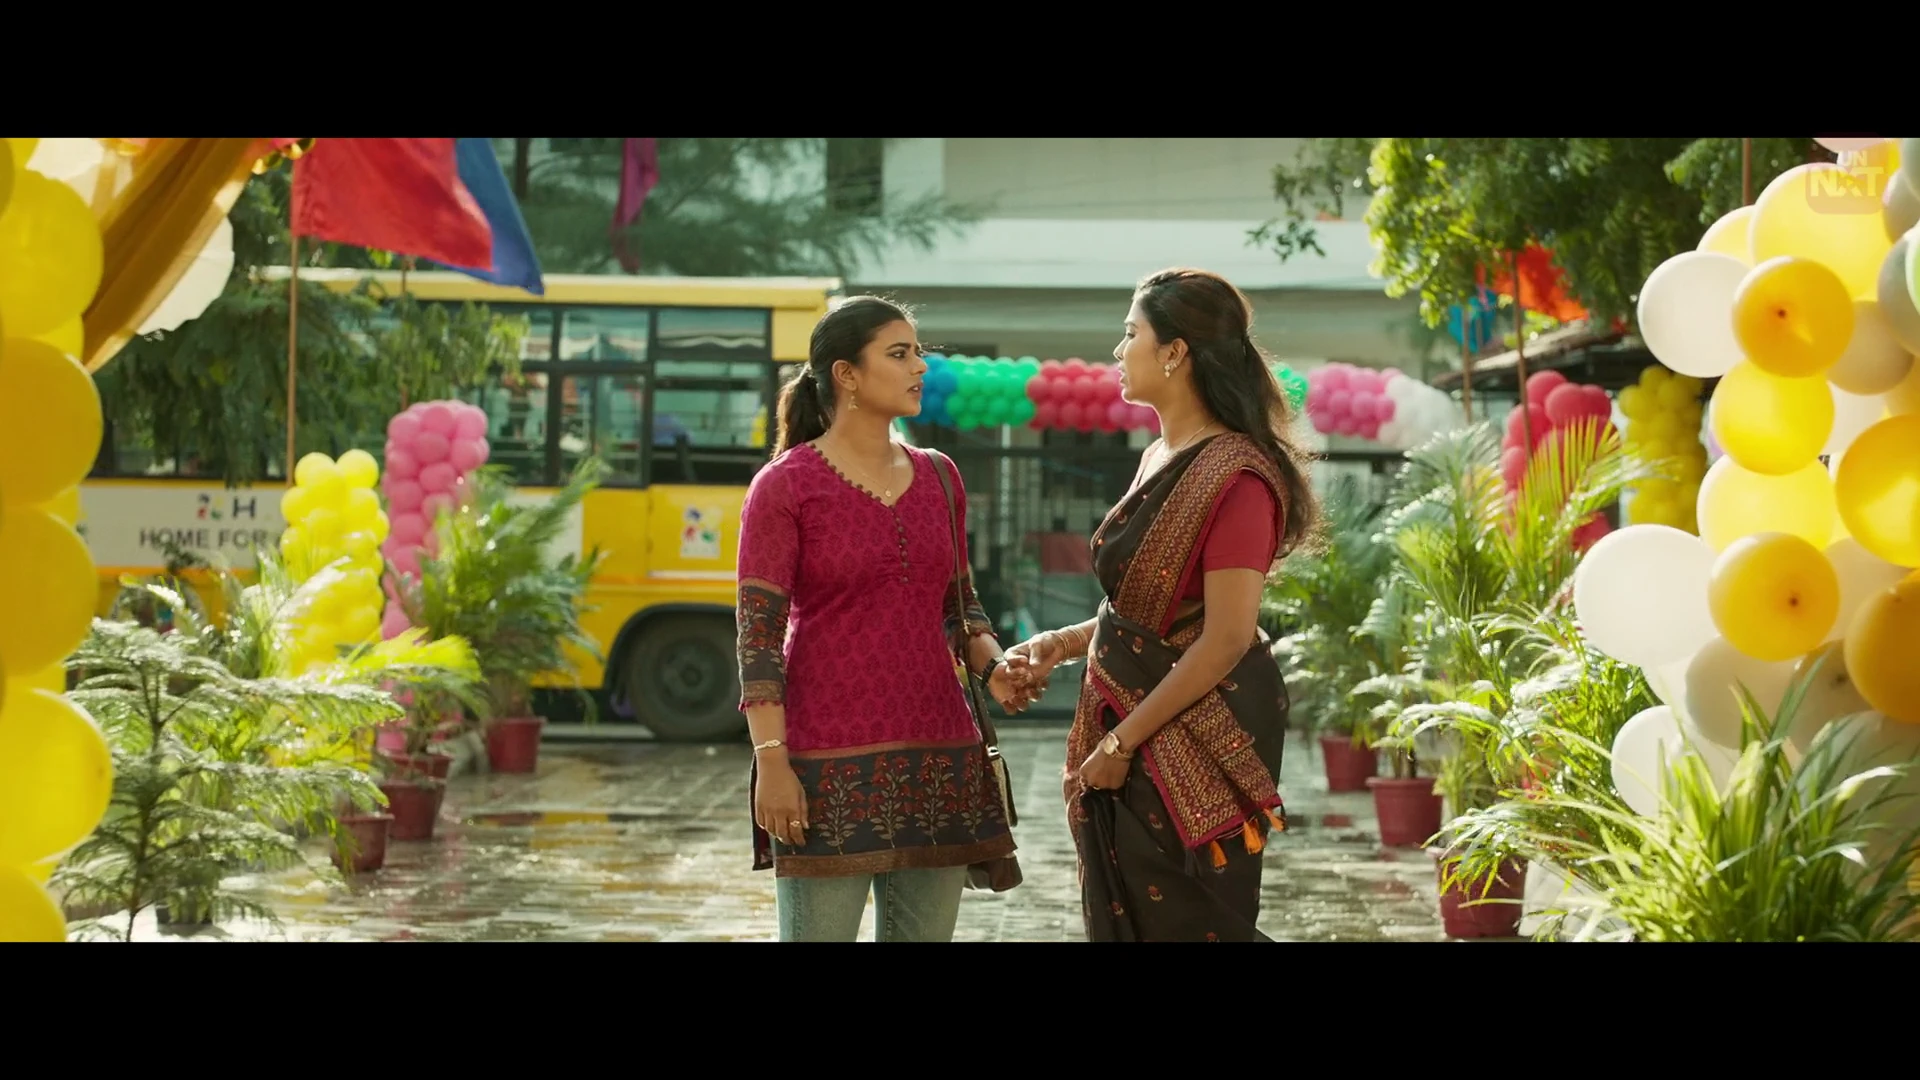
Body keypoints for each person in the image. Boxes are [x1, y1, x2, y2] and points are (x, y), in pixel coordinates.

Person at [1004, 267, 1321, 942]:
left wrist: (1121, 741)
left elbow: (1225, 637)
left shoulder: (1236, 478)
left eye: (1131, 333)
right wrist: (1064, 643)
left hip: (1197, 730)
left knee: (1191, 920)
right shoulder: (1158, 456)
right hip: (1137, 721)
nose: (1119, 350)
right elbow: (1149, 613)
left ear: (1175, 351)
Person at [735, 295, 1032, 943]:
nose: (919, 366)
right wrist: (772, 762)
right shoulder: (786, 486)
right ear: (846, 374)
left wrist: (997, 668)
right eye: (899, 354)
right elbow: (757, 639)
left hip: (938, 764)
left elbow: (958, 607)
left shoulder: (941, 477)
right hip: (825, 767)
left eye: (918, 352)